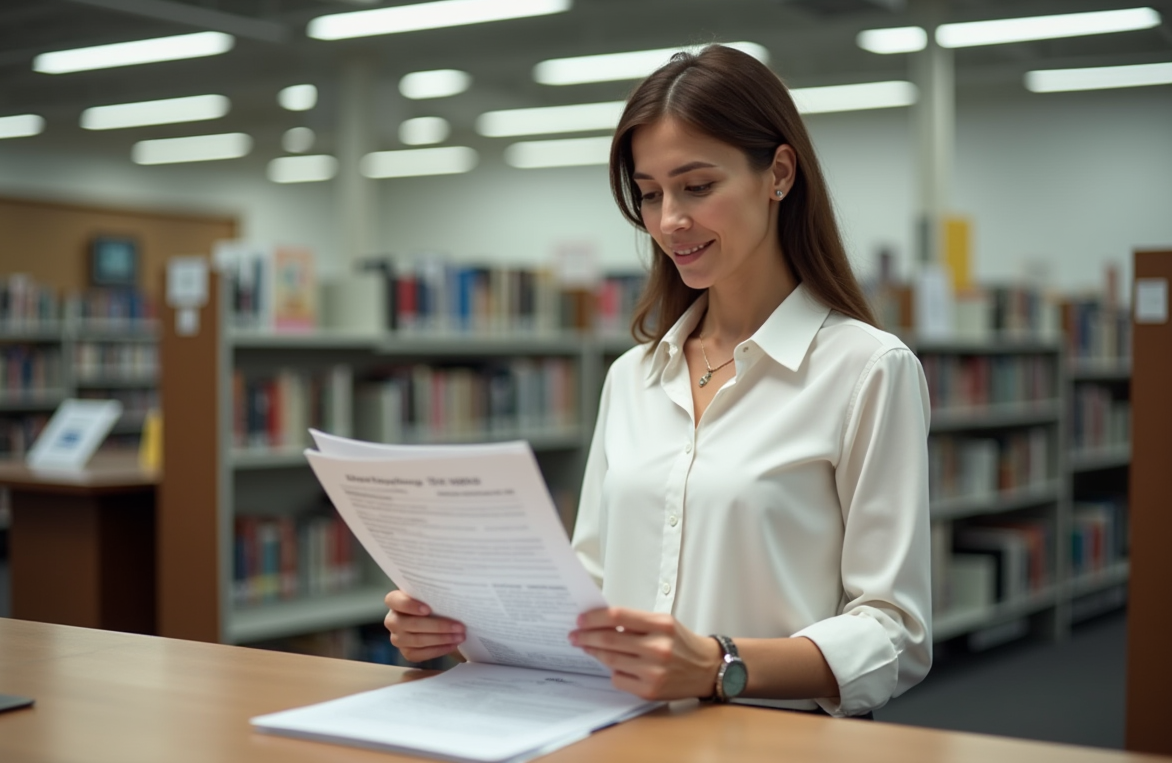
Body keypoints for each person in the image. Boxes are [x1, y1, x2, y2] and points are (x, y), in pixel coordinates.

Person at [384, 45, 932, 718]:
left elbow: (895, 632)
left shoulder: (867, 370)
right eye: (649, 193)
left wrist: (720, 664)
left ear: (779, 174)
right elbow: (590, 593)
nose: (669, 220)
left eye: (697, 186)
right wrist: (461, 628)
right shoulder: (632, 379)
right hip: (623, 735)